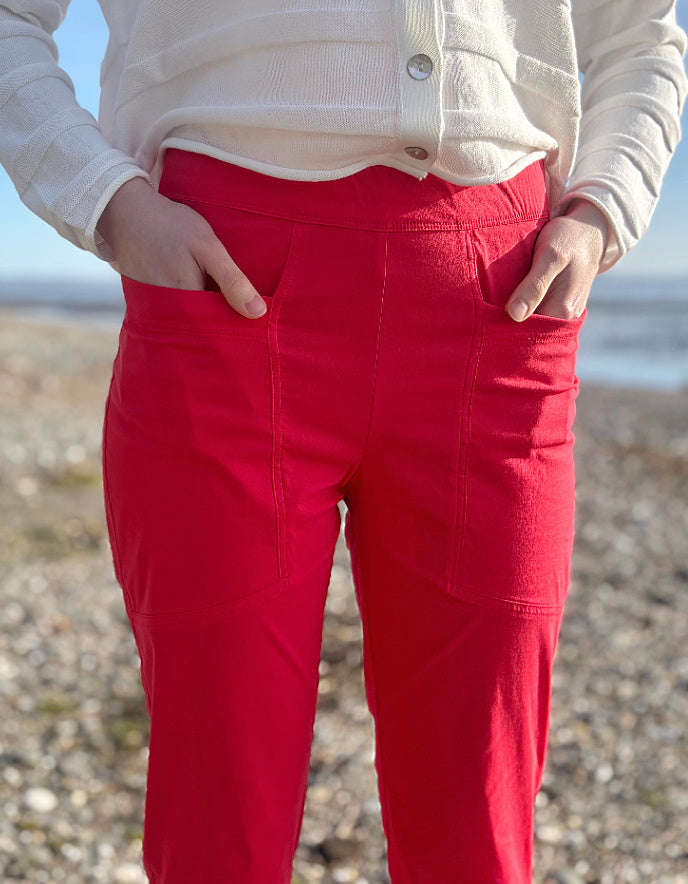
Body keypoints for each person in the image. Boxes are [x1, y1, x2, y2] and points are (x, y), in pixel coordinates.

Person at [1, 2, 686, 882]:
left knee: (478, 826)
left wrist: (602, 209)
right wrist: (108, 201)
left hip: (496, 302)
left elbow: (640, 31)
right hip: (223, 285)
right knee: (219, 826)